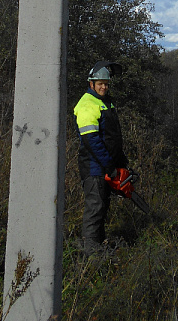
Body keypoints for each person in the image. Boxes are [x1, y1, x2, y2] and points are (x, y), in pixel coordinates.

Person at [73, 60, 129, 256]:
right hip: (94, 167)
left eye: (106, 84)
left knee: (102, 208)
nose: (104, 87)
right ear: (91, 84)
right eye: (100, 84)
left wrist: (121, 162)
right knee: (95, 209)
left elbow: (112, 137)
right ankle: (90, 255)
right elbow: (92, 141)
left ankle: (99, 248)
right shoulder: (87, 104)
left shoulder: (106, 102)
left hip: (106, 167)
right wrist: (109, 166)